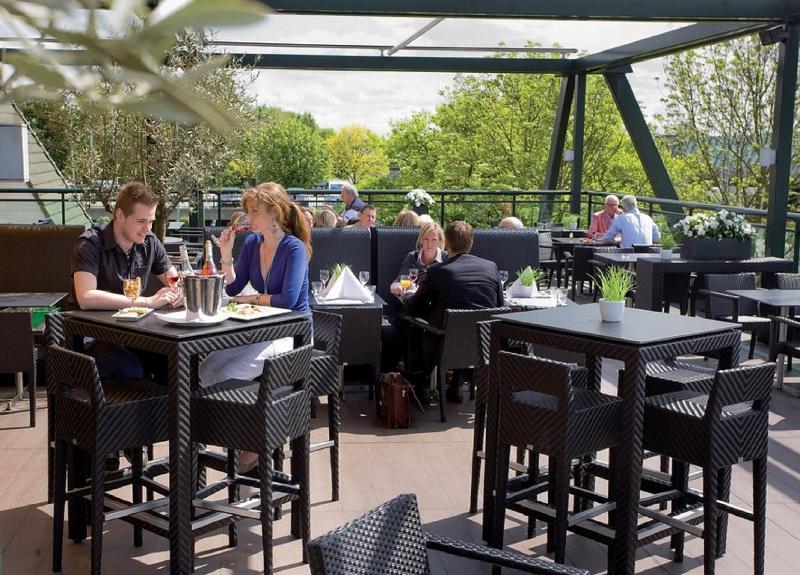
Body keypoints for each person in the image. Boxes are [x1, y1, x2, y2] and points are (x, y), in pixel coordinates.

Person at [200, 181, 311, 386]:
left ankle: (239, 407)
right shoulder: (252, 243)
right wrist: (226, 253)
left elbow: (288, 300)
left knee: (227, 376)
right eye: (248, 211)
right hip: (261, 330)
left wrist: (250, 299)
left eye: (254, 211)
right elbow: (233, 288)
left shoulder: (294, 248)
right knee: (206, 369)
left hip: (292, 333)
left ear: (275, 212)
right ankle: (219, 408)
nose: (249, 217)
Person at [70, 181, 181, 382]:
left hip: (133, 334)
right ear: (120, 215)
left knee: (175, 362)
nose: (147, 229)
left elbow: (174, 280)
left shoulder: (149, 242)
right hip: (93, 339)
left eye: (151, 221)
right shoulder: (90, 244)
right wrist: (148, 302)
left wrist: (178, 294)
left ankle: (165, 405)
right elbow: (86, 297)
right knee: (130, 369)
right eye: (141, 221)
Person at [402, 221, 504, 403]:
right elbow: (499, 305)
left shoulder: (438, 271)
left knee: (410, 321)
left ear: (446, 243)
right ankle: (457, 381)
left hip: (444, 342)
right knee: (464, 321)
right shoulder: (491, 267)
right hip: (483, 343)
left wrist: (408, 294)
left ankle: (421, 383)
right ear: (471, 242)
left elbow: (415, 306)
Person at [389, 222, 447, 297]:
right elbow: (400, 280)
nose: (429, 244)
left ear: (440, 241)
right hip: (413, 301)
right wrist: (396, 286)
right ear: (421, 240)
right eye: (426, 239)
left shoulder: (446, 258)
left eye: (434, 240)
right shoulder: (412, 257)